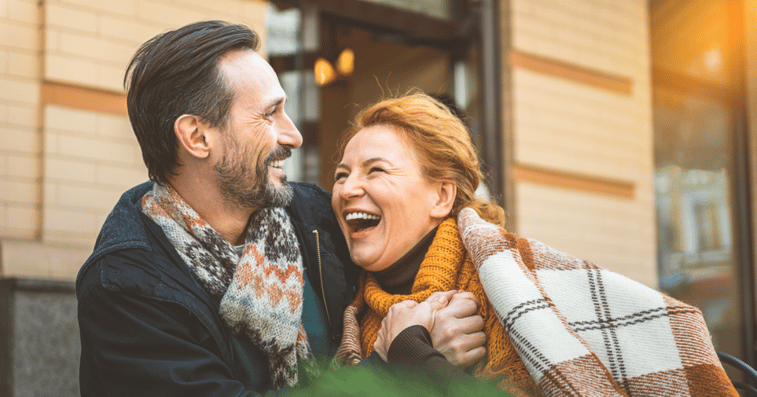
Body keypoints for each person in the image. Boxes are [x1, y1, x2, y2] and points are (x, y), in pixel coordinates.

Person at [76, 21, 484, 397]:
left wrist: (440, 319)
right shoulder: (126, 287)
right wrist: (397, 367)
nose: (294, 135)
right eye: (269, 114)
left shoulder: (317, 218)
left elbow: (416, 253)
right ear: (197, 137)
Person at [331, 92, 739, 396]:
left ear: (442, 196)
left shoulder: (517, 289)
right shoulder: (349, 311)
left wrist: (411, 357)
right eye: (340, 174)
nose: (348, 188)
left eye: (376, 170)